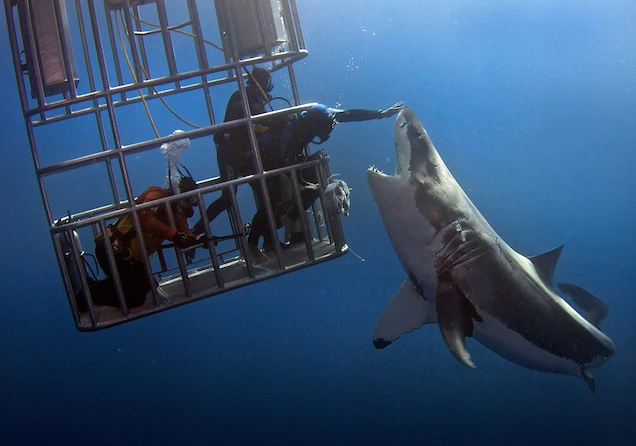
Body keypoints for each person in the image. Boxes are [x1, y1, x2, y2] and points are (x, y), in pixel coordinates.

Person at [247, 101, 404, 261]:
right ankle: (252, 244)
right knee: (274, 202)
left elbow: (349, 114)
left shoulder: (323, 114)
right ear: (314, 127)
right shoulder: (290, 130)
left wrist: (380, 114)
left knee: (317, 183)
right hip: (261, 164)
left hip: (285, 158)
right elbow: (281, 160)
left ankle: (291, 218)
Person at [76, 176, 200, 312]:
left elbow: (184, 232)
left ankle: (94, 288)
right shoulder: (158, 194)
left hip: (129, 258)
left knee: (148, 286)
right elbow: (146, 217)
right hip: (113, 250)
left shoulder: (175, 212)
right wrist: (174, 235)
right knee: (135, 297)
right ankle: (88, 296)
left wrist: (194, 241)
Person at [191, 66, 274, 236]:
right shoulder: (244, 97)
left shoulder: (247, 96)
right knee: (228, 198)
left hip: (242, 153)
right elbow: (255, 122)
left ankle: (265, 238)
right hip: (229, 153)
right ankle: (196, 231)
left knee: (265, 193)